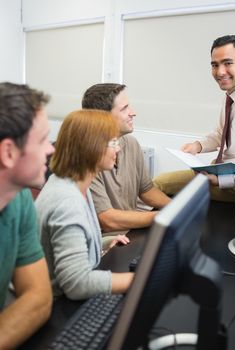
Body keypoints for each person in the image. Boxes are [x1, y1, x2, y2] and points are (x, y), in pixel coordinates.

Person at [153, 35, 235, 202]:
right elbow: (221, 133)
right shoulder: (232, 94)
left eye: (228, 63)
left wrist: (221, 181)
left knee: (159, 184)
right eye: (215, 65)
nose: (220, 72)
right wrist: (198, 145)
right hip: (221, 170)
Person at [35, 109, 134, 300]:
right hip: (58, 309)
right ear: (92, 147)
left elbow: (67, 241)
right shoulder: (67, 202)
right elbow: (77, 284)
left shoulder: (75, 183)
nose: (119, 149)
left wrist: (103, 244)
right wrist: (140, 281)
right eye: (113, 143)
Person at [0, 82, 54, 348]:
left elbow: (39, 296)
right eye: (43, 140)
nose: (51, 149)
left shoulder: (19, 198)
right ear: (8, 152)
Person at [82, 83, 171, 236]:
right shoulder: (87, 156)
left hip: (130, 234)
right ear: (104, 117)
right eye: (124, 109)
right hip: (107, 243)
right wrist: (163, 216)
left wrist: (177, 208)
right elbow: (108, 220)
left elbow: (147, 191)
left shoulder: (131, 143)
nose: (133, 113)